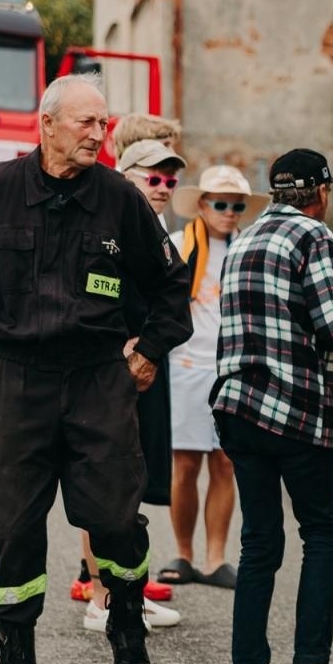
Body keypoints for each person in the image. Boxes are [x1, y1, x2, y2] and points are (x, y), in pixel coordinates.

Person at [0, 74, 192, 664]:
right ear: (48, 125)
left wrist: (148, 349)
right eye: (87, 123)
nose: (99, 135)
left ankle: (126, 624)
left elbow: (172, 289)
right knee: (10, 528)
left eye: (103, 124)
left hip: (99, 378)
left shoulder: (121, 201)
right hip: (19, 381)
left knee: (117, 520)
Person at [212, 148, 333, 664]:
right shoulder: (313, 238)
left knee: (260, 541)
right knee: (319, 533)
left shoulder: (241, 240)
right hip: (294, 411)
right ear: (318, 192)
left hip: (237, 408)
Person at [62, 138, 189, 632]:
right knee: (102, 483)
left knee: (131, 486)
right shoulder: (105, 221)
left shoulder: (157, 229)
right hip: (108, 371)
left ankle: (126, 592)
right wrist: (120, 340)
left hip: (147, 368)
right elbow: (92, 287)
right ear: (125, 175)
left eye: (170, 180)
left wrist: (152, 345)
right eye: (152, 177)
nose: (161, 188)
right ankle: (101, 596)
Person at [159, 165, 270, 589]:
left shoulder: (250, 250)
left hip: (233, 370)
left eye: (237, 205)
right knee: (184, 464)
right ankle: (184, 554)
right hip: (186, 366)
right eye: (221, 204)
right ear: (202, 205)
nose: (229, 212)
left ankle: (216, 558)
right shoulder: (176, 246)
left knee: (226, 462)